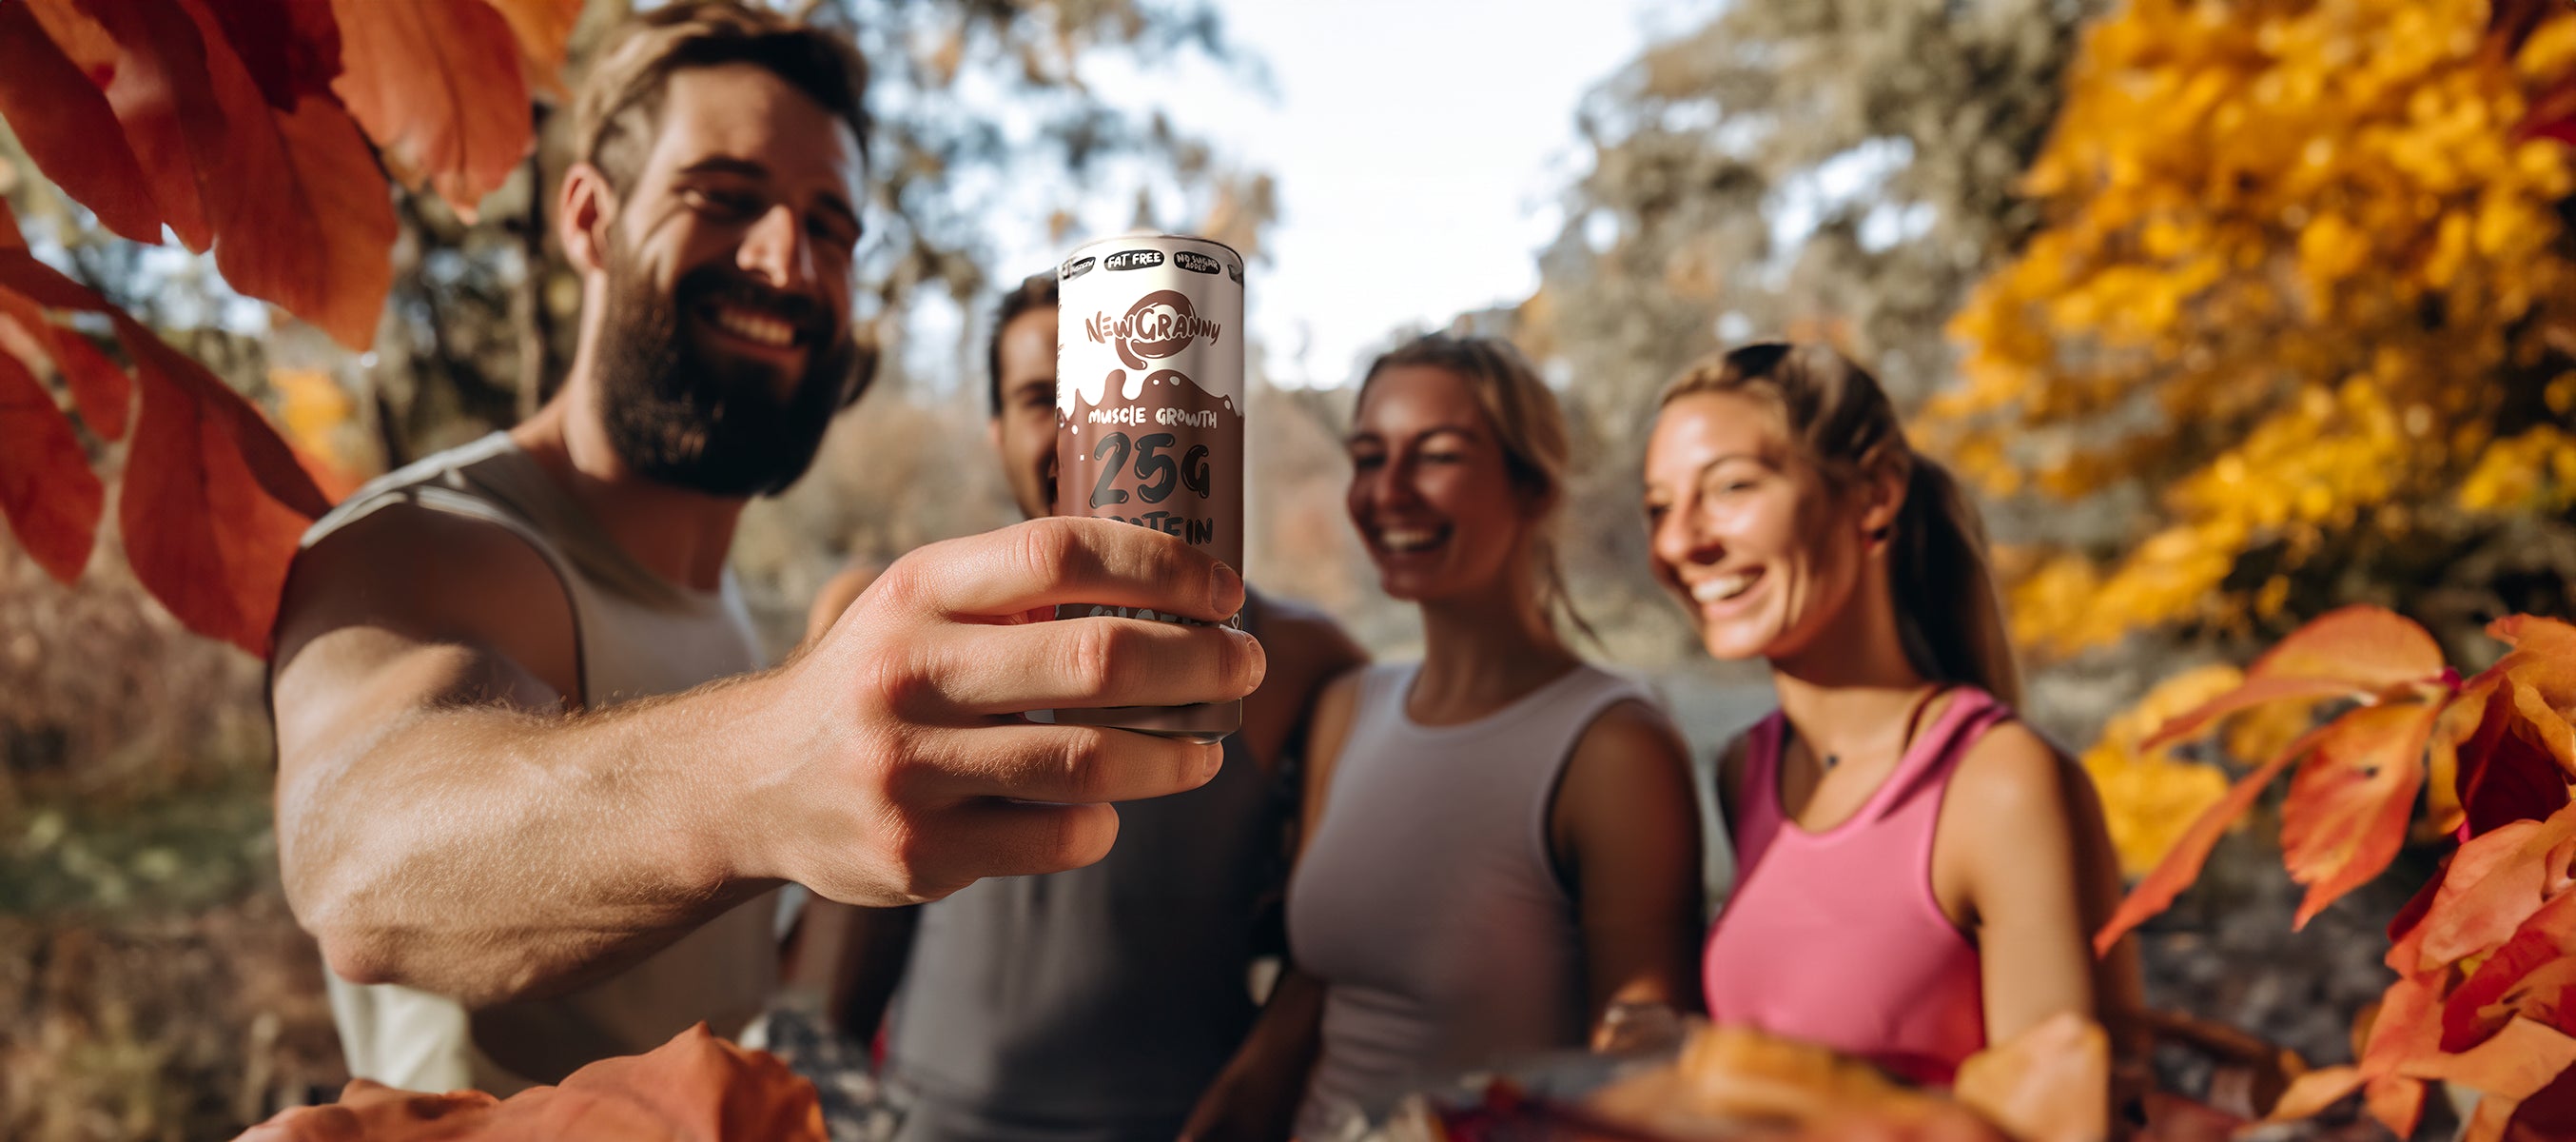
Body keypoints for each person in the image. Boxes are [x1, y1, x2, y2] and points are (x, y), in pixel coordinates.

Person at [267, 5, 1260, 1094]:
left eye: (829, 229)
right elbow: (359, 861)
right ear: (590, 218)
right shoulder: (427, 542)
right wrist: (782, 758)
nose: (786, 262)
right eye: (723, 198)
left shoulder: (721, 602)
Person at [793, 271, 1368, 1142]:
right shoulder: (895, 626)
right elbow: (842, 928)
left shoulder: (1301, 660)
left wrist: (1253, 1097)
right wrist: (807, 1104)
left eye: (1121, 396)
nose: (1084, 429)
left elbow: (1349, 933)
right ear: (996, 434)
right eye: (1042, 400)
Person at [1193, 333, 1705, 1138]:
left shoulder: (1612, 747)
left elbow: (1642, 1072)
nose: (1388, 491)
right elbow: (1308, 998)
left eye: (1436, 456)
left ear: (1533, 486)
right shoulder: (1347, 708)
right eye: (1369, 458)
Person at [1641, 342, 2140, 1088]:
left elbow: (2060, 1119)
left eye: (1731, 487)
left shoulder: (2000, 784)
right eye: (1659, 507)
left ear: (1875, 494)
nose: (1680, 540)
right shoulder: (1750, 769)